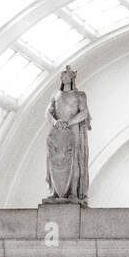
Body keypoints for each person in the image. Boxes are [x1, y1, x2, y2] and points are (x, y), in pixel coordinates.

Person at [44, 66, 91, 203]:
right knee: (54, 160)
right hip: (58, 131)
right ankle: (55, 192)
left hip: (73, 130)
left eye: (67, 75)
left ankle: (74, 193)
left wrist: (69, 122)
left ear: (72, 78)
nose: (64, 77)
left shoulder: (79, 95)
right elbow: (48, 112)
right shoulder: (56, 95)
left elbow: (84, 113)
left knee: (74, 161)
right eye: (62, 75)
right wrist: (55, 122)